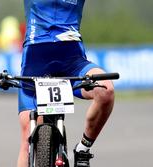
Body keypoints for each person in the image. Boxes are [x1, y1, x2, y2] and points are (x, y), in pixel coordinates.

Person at [18, 1, 115, 167]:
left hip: (73, 63)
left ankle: (83, 149)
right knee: (28, 135)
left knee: (106, 90)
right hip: (35, 65)